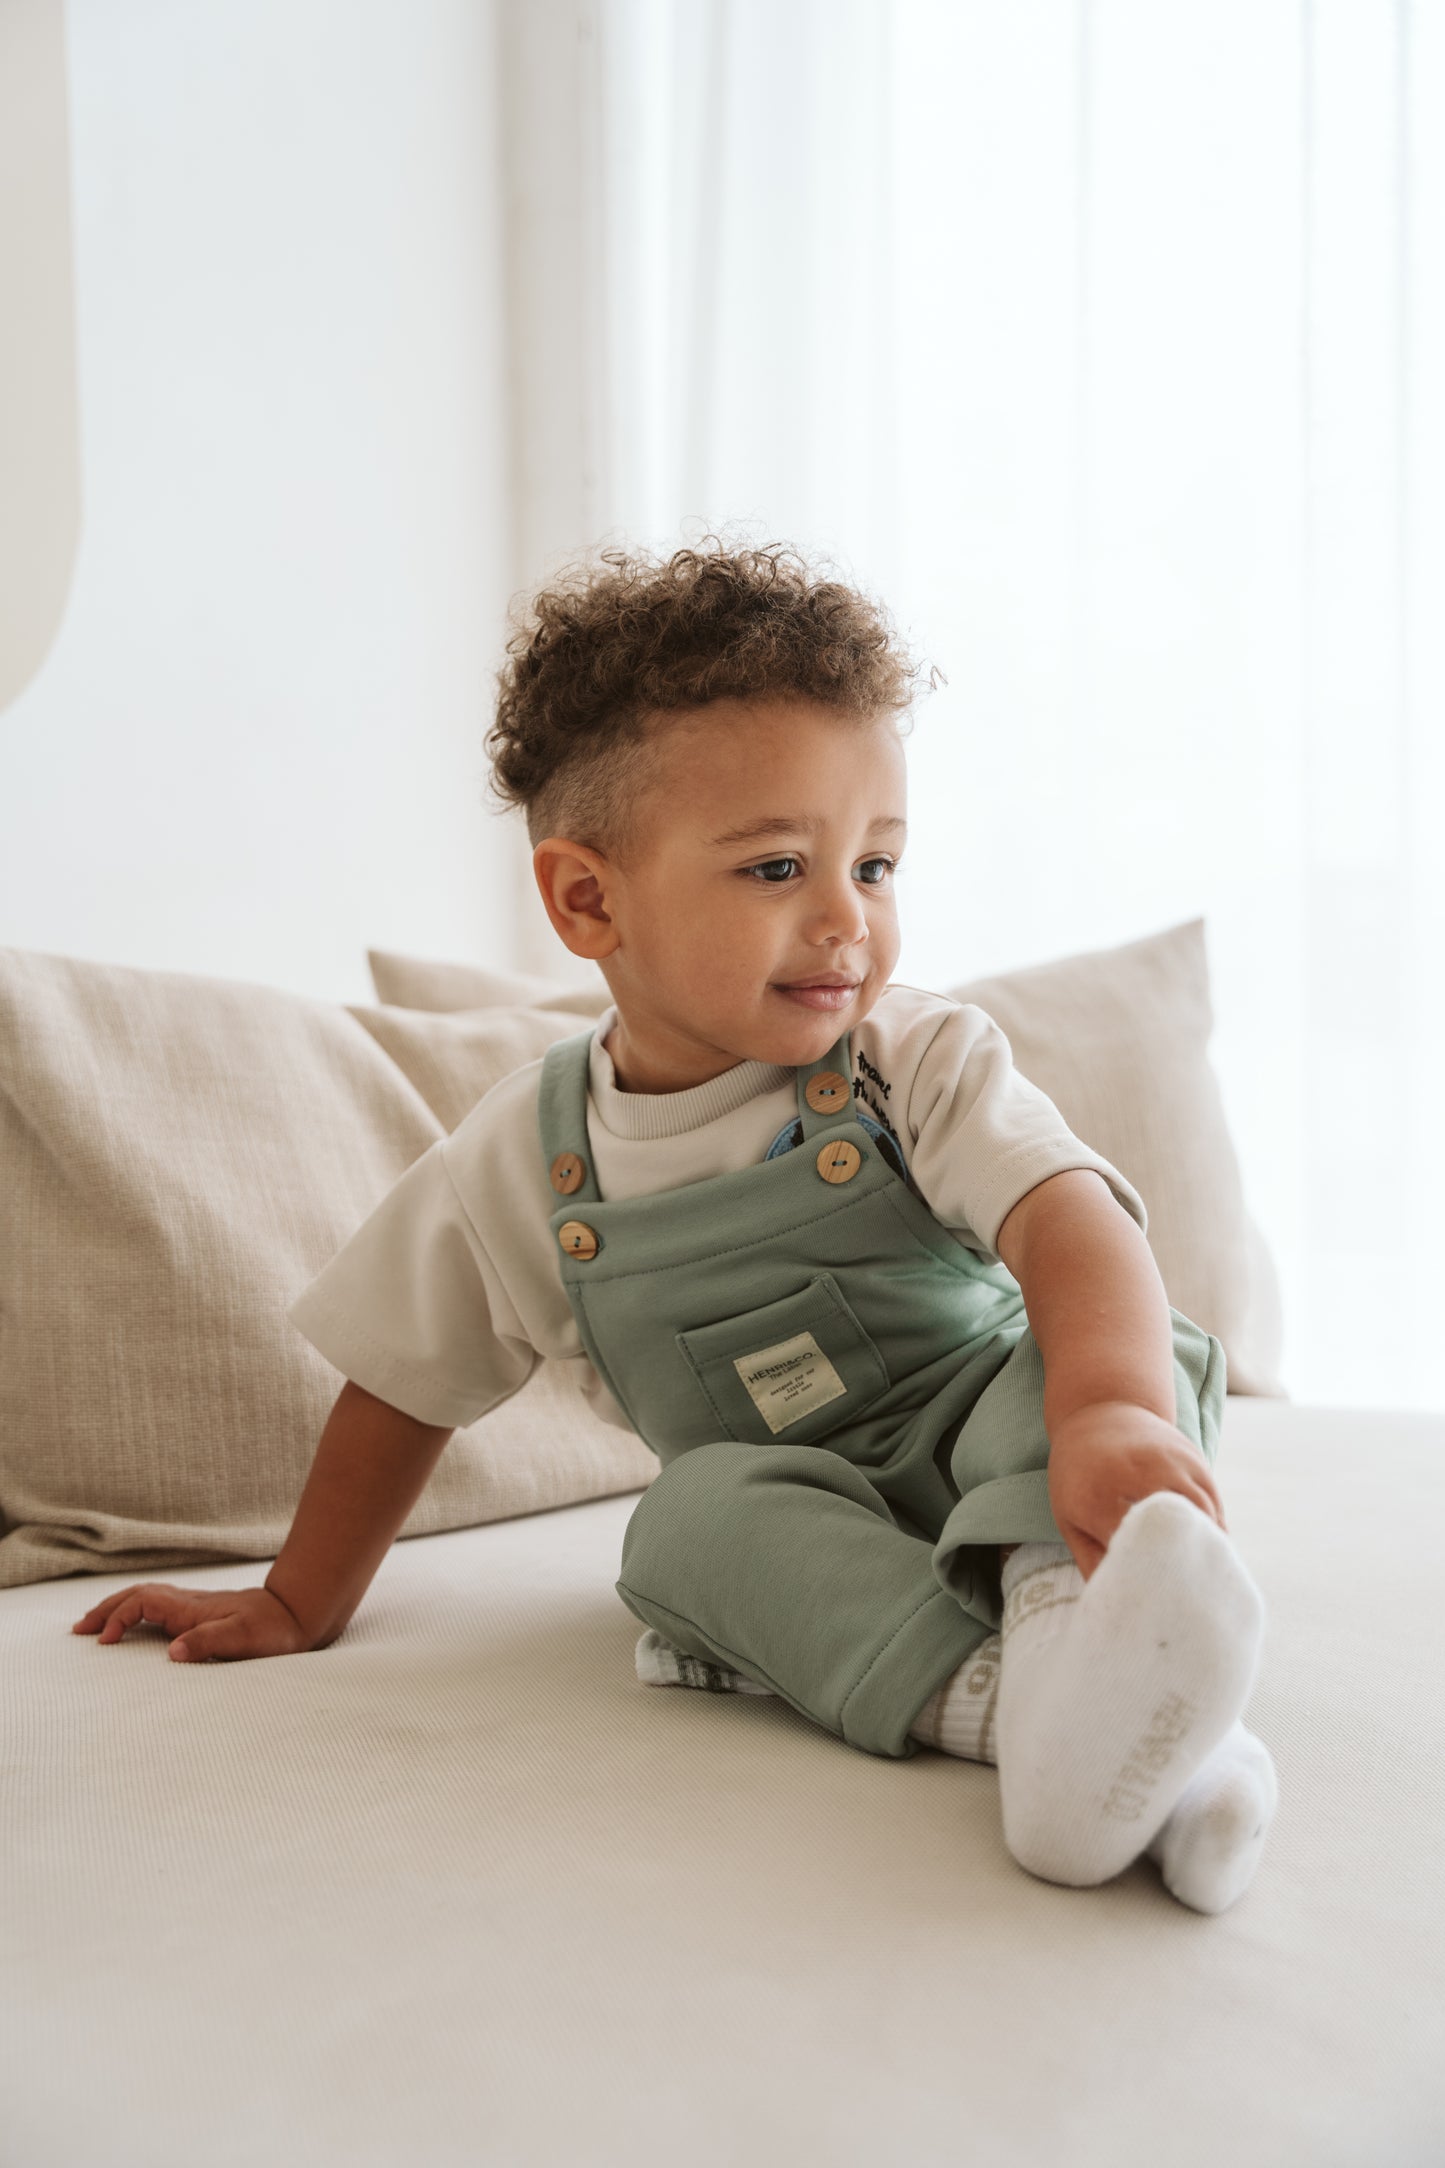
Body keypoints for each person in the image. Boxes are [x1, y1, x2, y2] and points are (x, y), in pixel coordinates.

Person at [71, 537, 1277, 1914]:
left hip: (999, 1455)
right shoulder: (521, 1163)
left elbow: (1067, 1221)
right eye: (777, 868)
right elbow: (399, 1390)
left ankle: (1068, 1613)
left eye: (876, 864)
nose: (847, 920)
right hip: (802, 1511)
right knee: (682, 1530)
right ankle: (1036, 1717)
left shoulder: (911, 1057)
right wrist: (297, 1601)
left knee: (1128, 1349)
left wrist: (1108, 1411)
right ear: (589, 899)